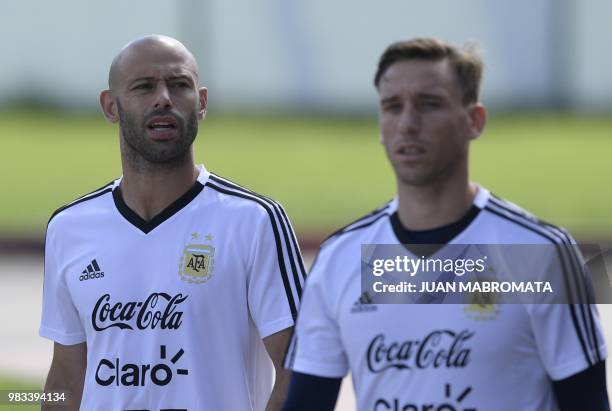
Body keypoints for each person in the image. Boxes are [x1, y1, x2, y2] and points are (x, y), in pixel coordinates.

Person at [282, 38, 608, 410]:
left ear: (474, 121)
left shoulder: (539, 254)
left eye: (429, 104)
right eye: (393, 107)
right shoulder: (342, 257)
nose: (407, 123)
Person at [40, 34, 305, 411]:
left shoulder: (255, 220)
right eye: (144, 86)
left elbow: (300, 369)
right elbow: (66, 379)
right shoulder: (69, 227)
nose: (163, 98)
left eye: (179, 85)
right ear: (110, 106)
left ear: (201, 103)